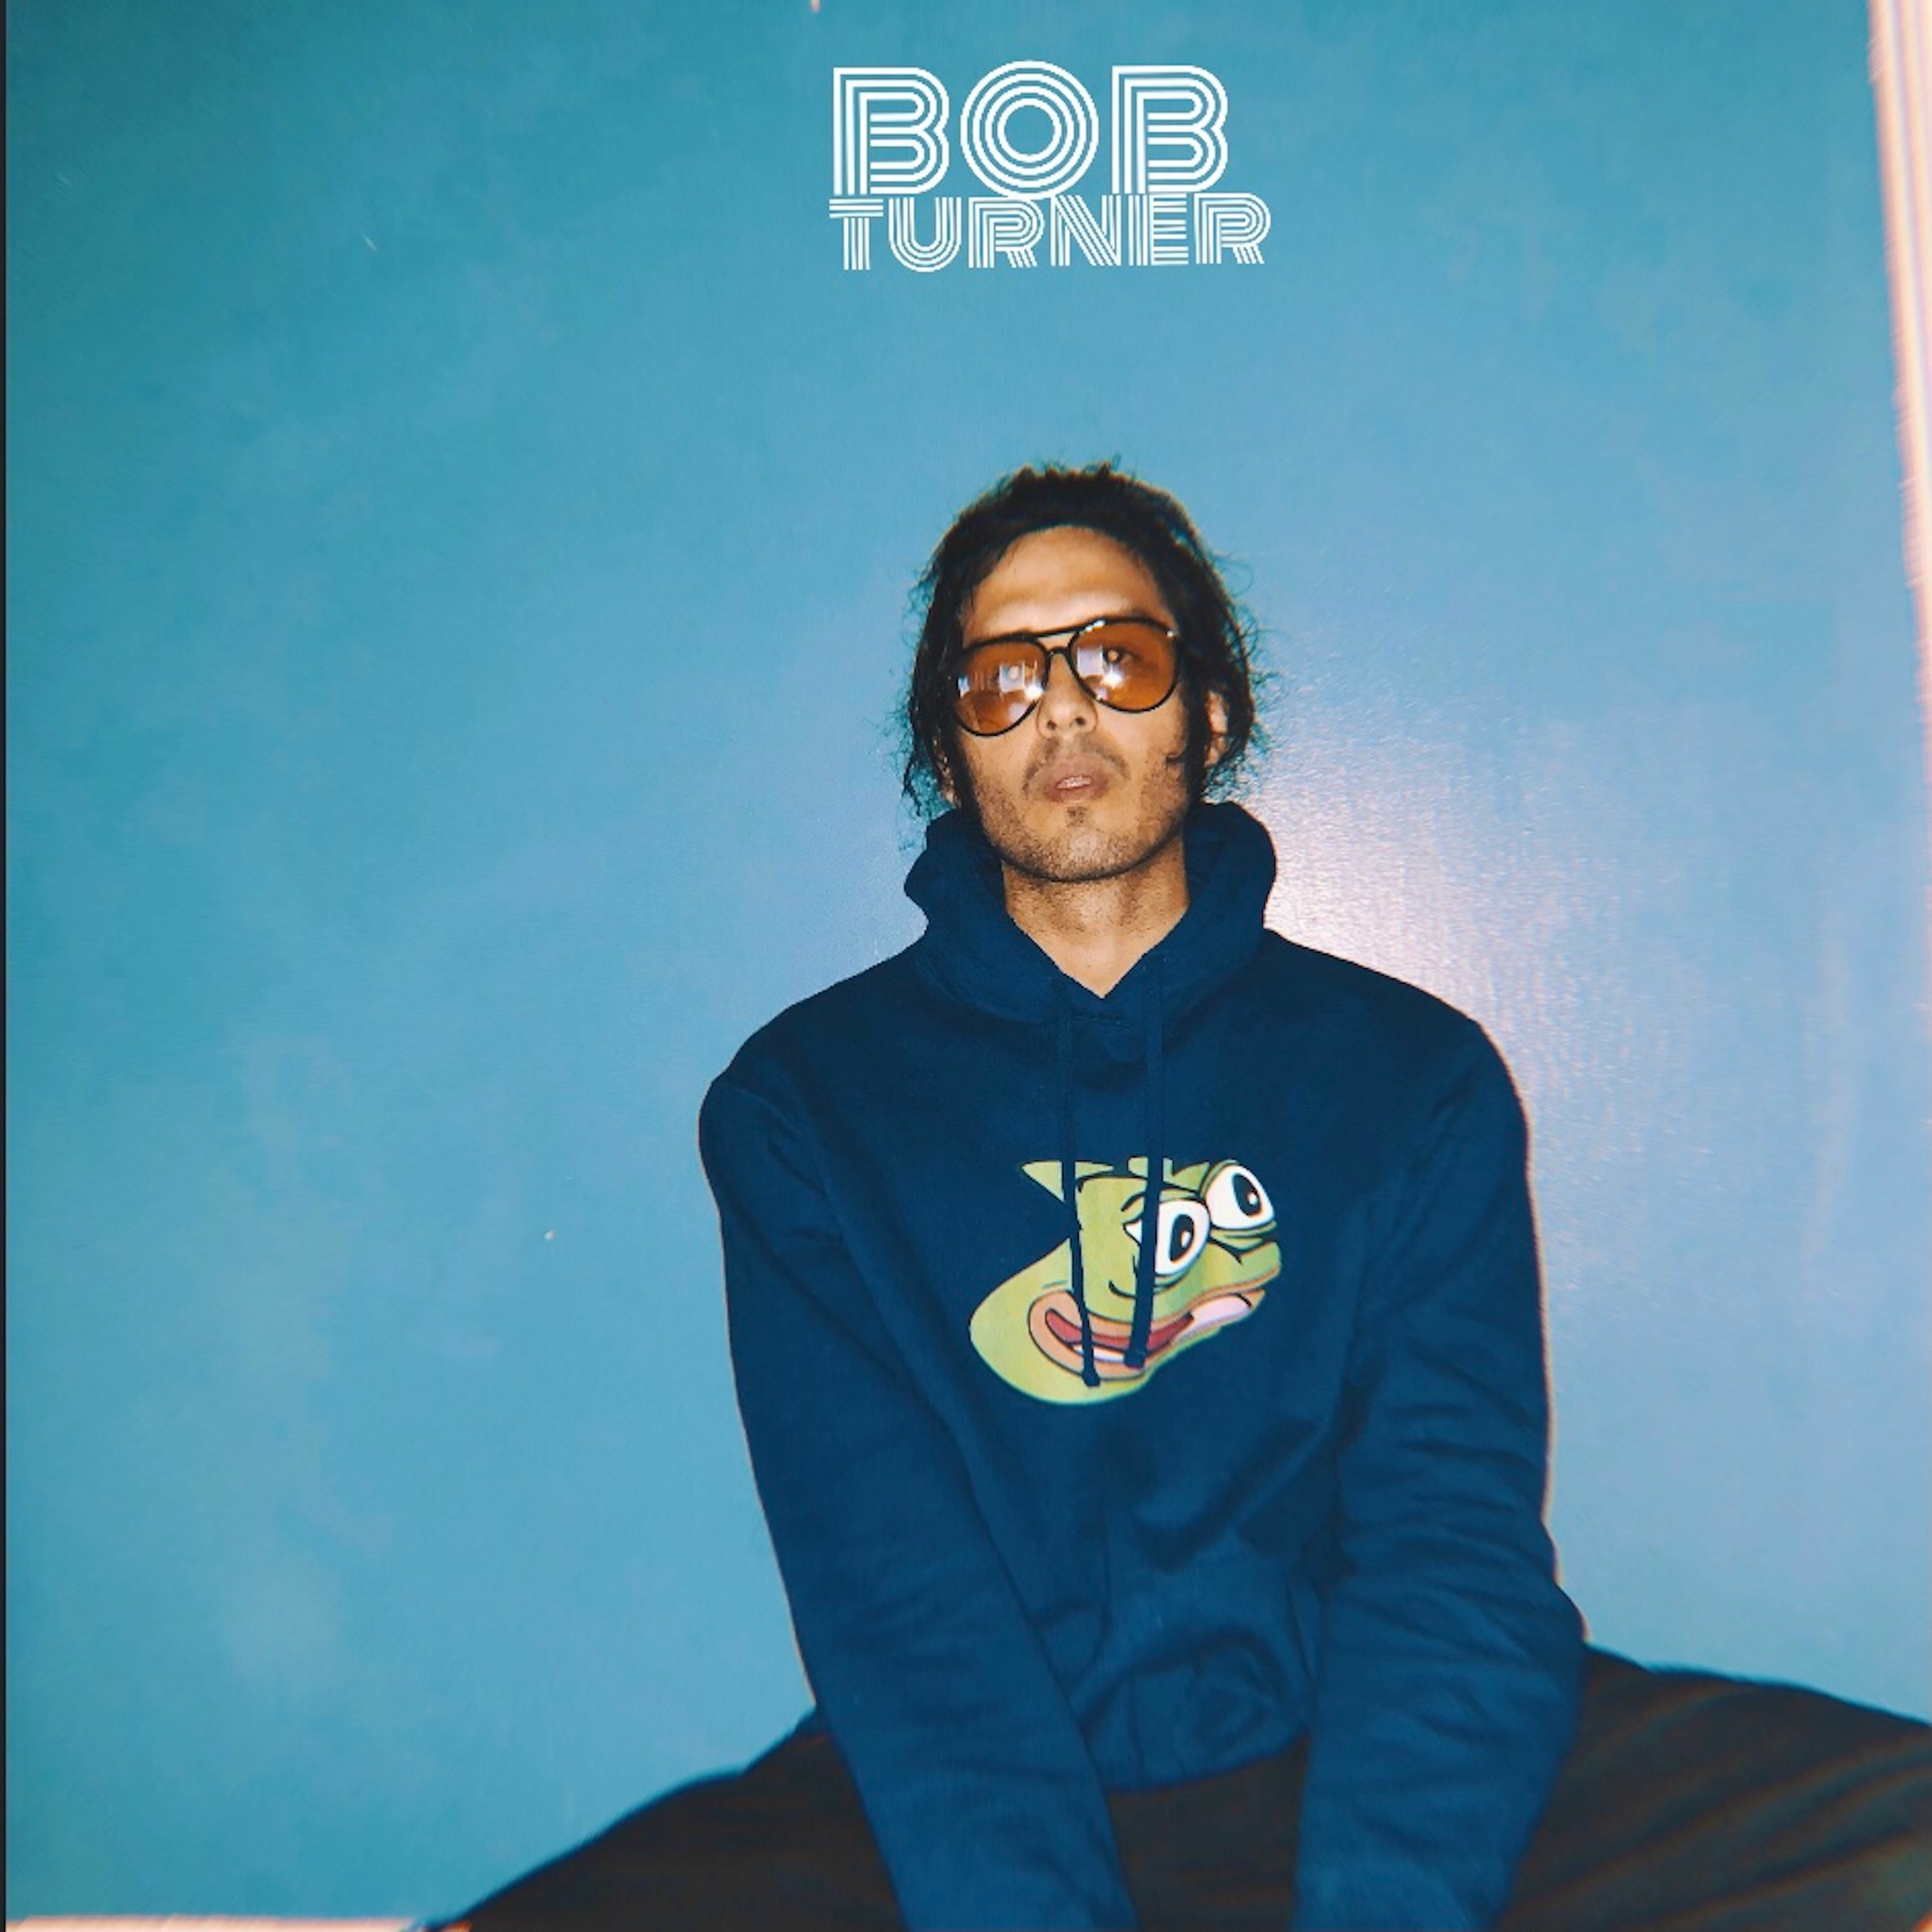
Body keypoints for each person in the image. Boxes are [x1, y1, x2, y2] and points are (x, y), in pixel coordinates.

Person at [442, 464, 1931, 1931]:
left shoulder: (1410, 1077)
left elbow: (1446, 1545)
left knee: (1901, 1824)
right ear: (950, 751)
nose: (1063, 710)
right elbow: (893, 1594)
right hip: (973, 1791)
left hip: (1344, 1743)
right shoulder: (805, 1107)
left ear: (1207, 712)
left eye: (1117, 658)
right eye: (1001, 678)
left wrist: (1385, 1908)